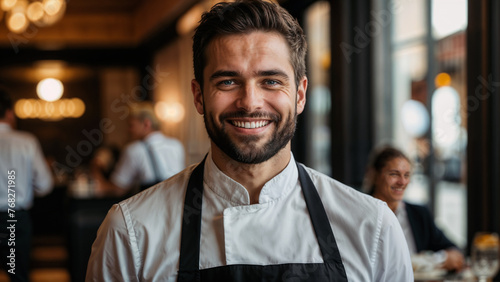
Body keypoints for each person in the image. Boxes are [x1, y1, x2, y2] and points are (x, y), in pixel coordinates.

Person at [86, 1, 413, 281]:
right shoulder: (130, 232)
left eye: (270, 81)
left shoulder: (373, 228)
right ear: (199, 96)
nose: (250, 102)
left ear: (299, 95)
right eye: (228, 81)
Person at [364, 145, 465, 272]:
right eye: (394, 174)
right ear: (375, 176)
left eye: (406, 175)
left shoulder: (418, 214)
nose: (402, 182)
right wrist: (433, 261)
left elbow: (454, 252)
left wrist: (437, 259)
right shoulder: (362, 215)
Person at [0, 88, 54, 281]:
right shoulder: (26, 142)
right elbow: (45, 185)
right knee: (18, 275)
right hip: (15, 219)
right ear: (9, 113)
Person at [91, 102, 185, 197]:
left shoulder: (134, 150)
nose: (129, 130)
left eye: (131, 125)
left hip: (150, 207)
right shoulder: (176, 145)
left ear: (146, 124)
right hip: (176, 205)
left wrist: (96, 169)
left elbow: (118, 189)